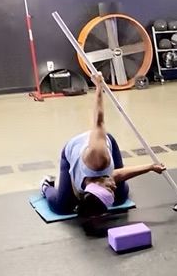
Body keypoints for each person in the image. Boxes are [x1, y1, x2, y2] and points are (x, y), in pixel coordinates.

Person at [41, 74, 165, 217]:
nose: (113, 186)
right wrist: (150, 167)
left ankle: (47, 184)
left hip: (94, 146)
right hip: (74, 158)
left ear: (97, 185)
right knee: (61, 207)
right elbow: (114, 176)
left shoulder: (99, 157)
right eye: (111, 189)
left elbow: (98, 122)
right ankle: (46, 186)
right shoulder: (98, 168)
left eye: (109, 189)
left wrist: (99, 86)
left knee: (120, 198)